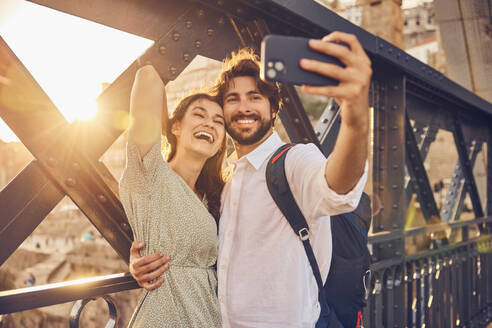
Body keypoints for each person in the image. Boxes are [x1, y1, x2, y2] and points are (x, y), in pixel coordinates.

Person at [129, 31, 372, 328]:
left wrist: (356, 121)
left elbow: (337, 186)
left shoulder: (294, 162)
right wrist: (142, 260)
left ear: (273, 109)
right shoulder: (225, 186)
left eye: (254, 97)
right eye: (232, 99)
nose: (243, 107)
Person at [119, 64, 227, 327]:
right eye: (199, 115)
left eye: (218, 121)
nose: (209, 124)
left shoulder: (212, 197)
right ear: (175, 126)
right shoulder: (150, 173)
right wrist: (164, 128)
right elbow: (148, 77)